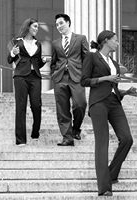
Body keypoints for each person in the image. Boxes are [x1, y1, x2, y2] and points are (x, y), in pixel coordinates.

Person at [80, 30, 136, 196]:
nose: (118, 43)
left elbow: (113, 87)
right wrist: (106, 79)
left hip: (114, 102)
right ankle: (104, 187)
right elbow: (84, 80)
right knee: (102, 143)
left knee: (127, 138)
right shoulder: (92, 57)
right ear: (106, 41)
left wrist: (125, 92)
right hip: (98, 103)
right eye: (115, 40)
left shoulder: (113, 62)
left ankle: (111, 174)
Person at [7, 18, 50, 146]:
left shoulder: (39, 44)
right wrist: (13, 53)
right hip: (20, 77)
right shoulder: (17, 42)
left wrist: (43, 61)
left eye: (37, 27)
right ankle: (20, 140)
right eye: (35, 26)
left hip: (35, 77)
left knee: (36, 105)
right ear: (28, 27)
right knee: (21, 107)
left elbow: (37, 64)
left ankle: (35, 131)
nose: (37, 29)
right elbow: (9, 60)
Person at [51, 14, 89, 146]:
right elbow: (54, 61)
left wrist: (85, 75)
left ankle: (76, 128)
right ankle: (67, 138)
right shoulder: (55, 43)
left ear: (68, 23)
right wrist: (54, 74)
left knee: (80, 104)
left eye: (61, 23)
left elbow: (87, 59)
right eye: (57, 25)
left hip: (77, 77)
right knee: (62, 109)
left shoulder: (81, 39)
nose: (59, 26)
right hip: (60, 78)